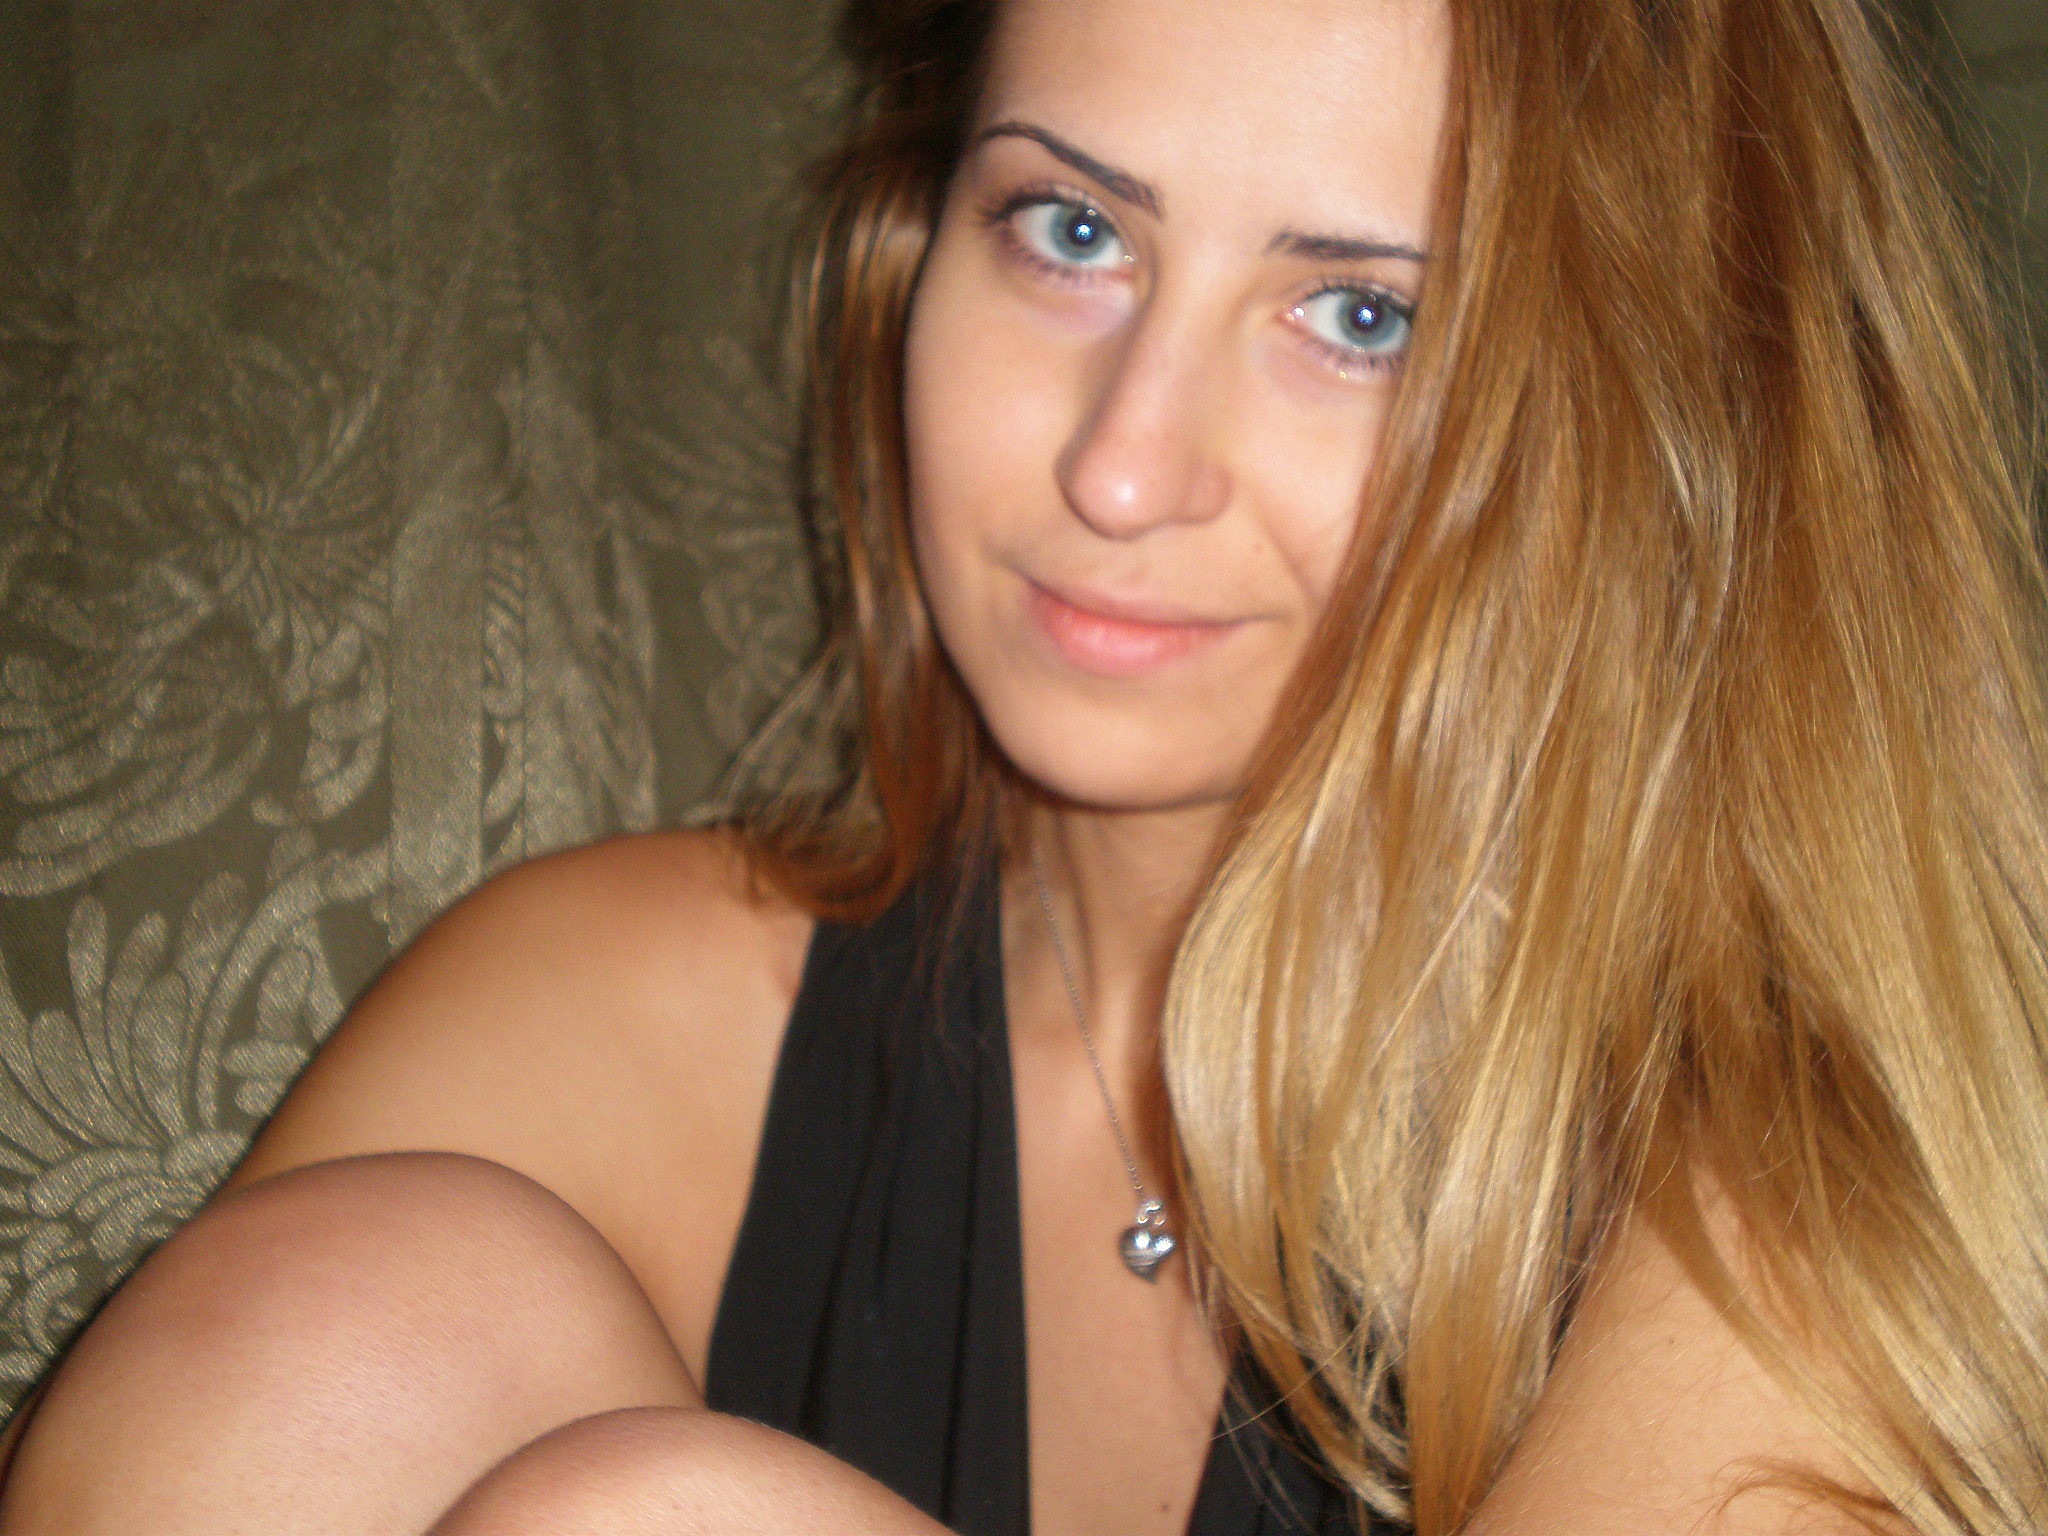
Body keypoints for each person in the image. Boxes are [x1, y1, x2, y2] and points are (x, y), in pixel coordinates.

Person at [2, 0, 2044, 1530]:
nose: (1120, 465)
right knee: (337, 1327)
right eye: (1070, 229)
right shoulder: (602, 1020)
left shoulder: (1820, 1151)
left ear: (1691, 433)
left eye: (1361, 316)